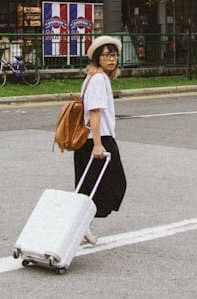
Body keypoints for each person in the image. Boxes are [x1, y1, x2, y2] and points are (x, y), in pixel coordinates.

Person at [75, 35, 127, 246]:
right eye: (106, 55)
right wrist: (97, 143)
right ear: (98, 57)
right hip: (98, 139)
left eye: (114, 55)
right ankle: (81, 223)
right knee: (115, 183)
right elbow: (94, 113)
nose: (111, 59)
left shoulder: (94, 77)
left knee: (88, 186)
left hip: (92, 139)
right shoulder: (97, 79)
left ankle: (81, 224)